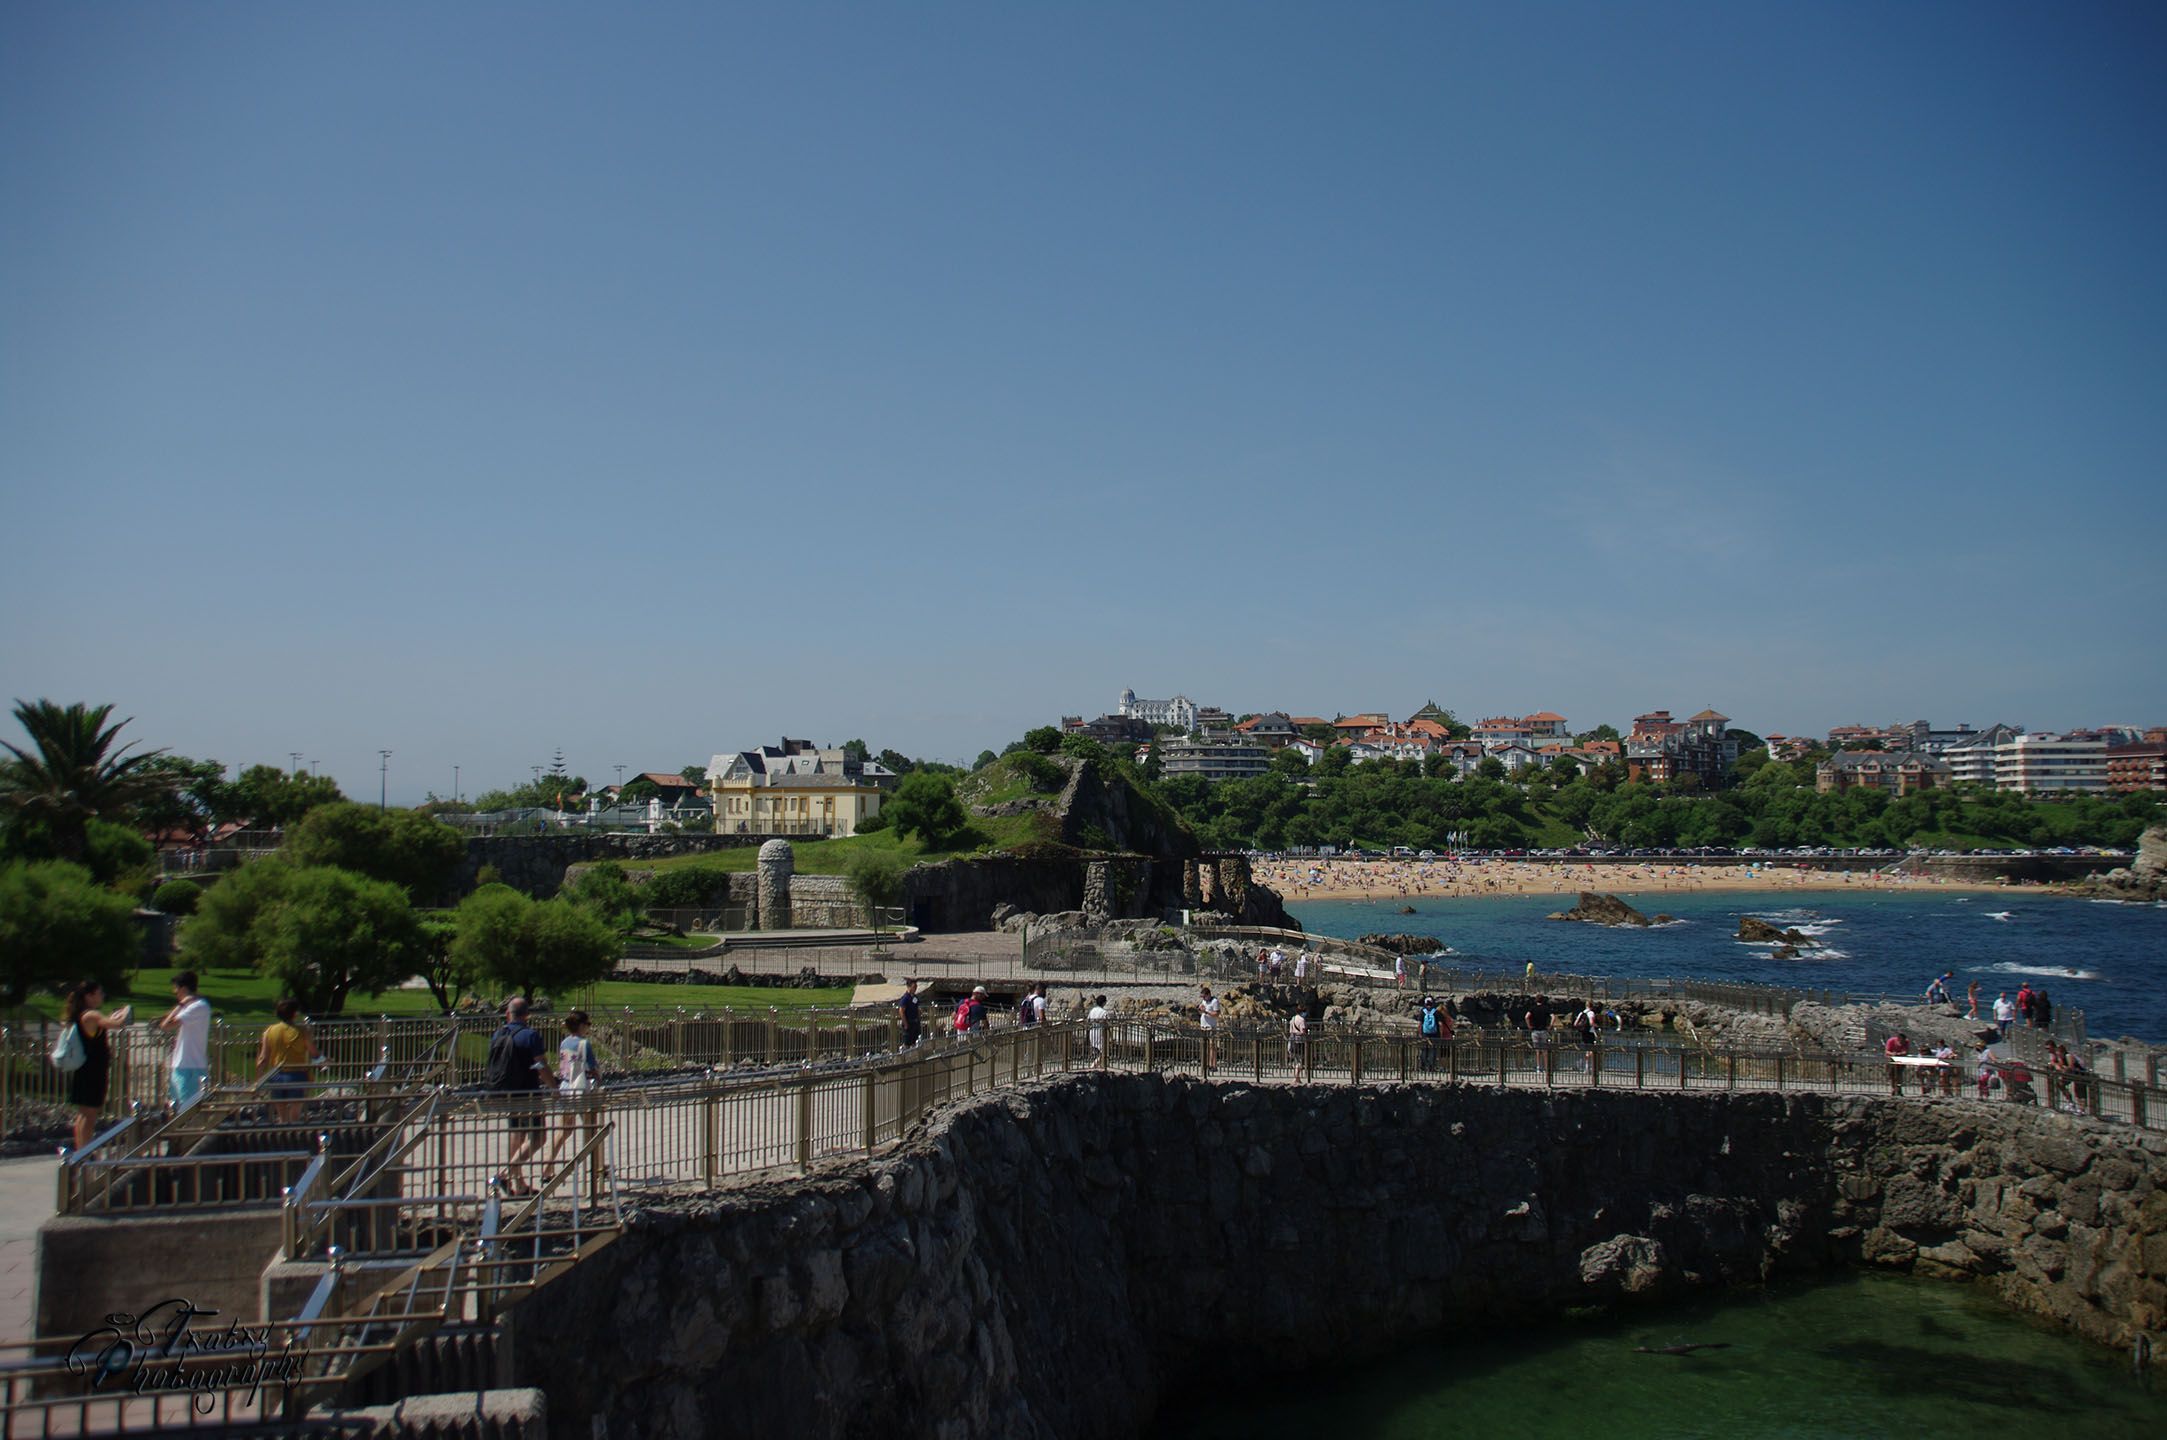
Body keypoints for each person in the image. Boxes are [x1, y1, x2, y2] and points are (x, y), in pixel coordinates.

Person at [485, 997, 553, 1196]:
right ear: (527, 1015)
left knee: (517, 1135)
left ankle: (520, 1185)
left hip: (505, 1092)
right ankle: (504, 1174)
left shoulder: (498, 1033)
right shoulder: (530, 1035)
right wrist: (553, 1087)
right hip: (529, 1093)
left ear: (508, 1014)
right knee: (538, 1138)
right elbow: (540, 1064)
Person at [61, 981, 130, 1151]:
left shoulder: (86, 1015)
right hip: (92, 1070)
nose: (102, 996)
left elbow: (106, 1022)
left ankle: (81, 1149)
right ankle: (84, 1151)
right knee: (89, 1114)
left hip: (89, 1069)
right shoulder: (90, 1015)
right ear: (89, 996)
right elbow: (117, 1024)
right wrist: (127, 1010)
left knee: (84, 1113)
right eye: (99, 993)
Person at [547, 1010, 600, 1165]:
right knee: (591, 1127)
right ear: (582, 1025)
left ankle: (547, 1165)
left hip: (565, 1085)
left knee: (564, 1129)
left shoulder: (564, 1042)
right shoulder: (584, 1043)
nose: (589, 1027)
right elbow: (591, 1066)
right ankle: (597, 1165)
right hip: (580, 1087)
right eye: (588, 1024)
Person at [157, 970, 212, 1108]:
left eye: (176, 988)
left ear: (183, 988)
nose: (174, 992)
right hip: (183, 1065)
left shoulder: (198, 1007)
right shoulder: (194, 1006)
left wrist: (181, 1005)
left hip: (190, 1067)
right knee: (176, 1108)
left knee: (186, 1111)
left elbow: (166, 1025)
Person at [255, 999, 314, 1123]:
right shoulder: (303, 1031)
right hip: (297, 1075)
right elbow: (313, 1052)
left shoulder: (269, 1031)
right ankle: (293, 1138)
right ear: (295, 1014)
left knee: (282, 1116)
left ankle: (283, 1135)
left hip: (276, 1075)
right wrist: (325, 1060)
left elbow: (263, 1058)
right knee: (295, 1115)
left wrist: (259, 1079)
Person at [1198, 986, 1221, 1066]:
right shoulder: (1204, 1001)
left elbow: (1216, 1014)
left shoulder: (1214, 1001)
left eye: (1204, 996)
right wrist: (1200, 1009)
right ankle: (1205, 1063)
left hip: (1211, 1027)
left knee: (1212, 1046)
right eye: (1202, 997)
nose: (1203, 998)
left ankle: (1213, 1064)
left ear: (1208, 995)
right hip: (1203, 1026)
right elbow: (1202, 1011)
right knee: (1205, 1046)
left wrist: (1206, 1012)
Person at [896, 979, 922, 1048]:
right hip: (909, 1023)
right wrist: (905, 1023)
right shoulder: (905, 998)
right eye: (914, 987)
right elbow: (901, 1010)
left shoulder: (915, 997)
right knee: (907, 1042)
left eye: (916, 987)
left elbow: (917, 1007)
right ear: (909, 987)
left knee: (915, 1041)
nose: (915, 989)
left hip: (915, 1023)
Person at [1883, 1030, 1911, 1096]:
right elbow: (1887, 1051)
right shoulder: (1891, 1041)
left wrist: (1899, 1054)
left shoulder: (1906, 1042)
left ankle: (1898, 1089)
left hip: (1900, 1061)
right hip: (1891, 1060)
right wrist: (1893, 1054)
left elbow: (1906, 1051)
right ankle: (1894, 1088)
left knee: (1899, 1075)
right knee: (1891, 1075)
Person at [1087, 994, 1110, 1070]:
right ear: (1104, 1003)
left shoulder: (1092, 1010)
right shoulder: (1104, 1012)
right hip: (1100, 1033)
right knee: (1104, 1052)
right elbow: (1107, 1023)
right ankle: (1093, 1065)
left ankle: (1099, 1066)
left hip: (1092, 1031)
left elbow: (1088, 1020)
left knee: (1097, 1050)